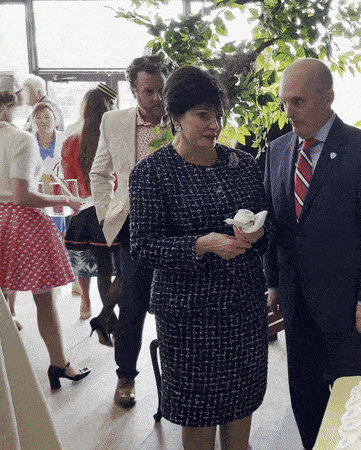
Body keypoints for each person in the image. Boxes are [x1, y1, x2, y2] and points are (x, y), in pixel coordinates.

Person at [129, 65, 270, 450]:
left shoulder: (242, 165)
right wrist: (202, 244)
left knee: (241, 413)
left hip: (243, 310)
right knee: (200, 420)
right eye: (203, 115)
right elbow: (143, 246)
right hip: (191, 321)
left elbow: (266, 230)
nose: (214, 125)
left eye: (219, 115)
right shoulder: (153, 173)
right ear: (176, 117)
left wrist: (256, 235)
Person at [263, 58, 361, 449]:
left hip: (351, 309)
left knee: (351, 400)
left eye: (299, 101)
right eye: (285, 102)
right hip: (296, 304)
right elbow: (275, 223)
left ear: (328, 98)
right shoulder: (277, 150)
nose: (289, 112)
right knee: (304, 398)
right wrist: (272, 282)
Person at [89, 55, 169, 408]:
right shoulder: (114, 121)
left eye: (161, 90)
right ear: (135, 91)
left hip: (175, 227)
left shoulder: (180, 118)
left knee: (172, 306)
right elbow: (99, 173)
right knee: (132, 304)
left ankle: (179, 377)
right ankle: (126, 378)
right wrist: (109, 216)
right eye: (149, 91)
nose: (157, 99)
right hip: (131, 227)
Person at [0, 89, 91, 389]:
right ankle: (59, 363)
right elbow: (22, 195)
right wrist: (66, 198)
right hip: (19, 222)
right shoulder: (19, 139)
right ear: (10, 105)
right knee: (44, 299)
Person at [62, 85, 120, 341]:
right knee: (125, 272)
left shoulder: (71, 142)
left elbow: (70, 182)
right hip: (113, 210)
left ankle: (106, 319)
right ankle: (106, 317)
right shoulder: (115, 139)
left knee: (105, 271)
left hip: (86, 213)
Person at [31, 102, 68, 234]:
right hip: (36, 196)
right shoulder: (28, 142)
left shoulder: (65, 139)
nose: (43, 121)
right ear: (33, 121)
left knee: (59, 236)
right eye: (38, 117)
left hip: (59, 196)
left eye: (47, 117)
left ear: (55, 119)